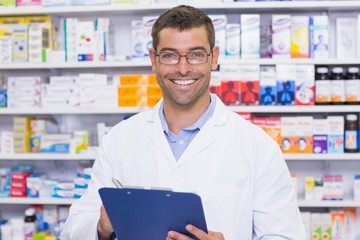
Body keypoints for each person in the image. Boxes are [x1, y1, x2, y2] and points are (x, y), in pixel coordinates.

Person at [62, 5, 306, 240]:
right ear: (153, 59)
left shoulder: (258, 147)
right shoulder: (120, 138)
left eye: (196, 55)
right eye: (169, 55)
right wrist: (101, 227)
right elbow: (74, 227)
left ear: (214, 58)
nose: (183, 68)